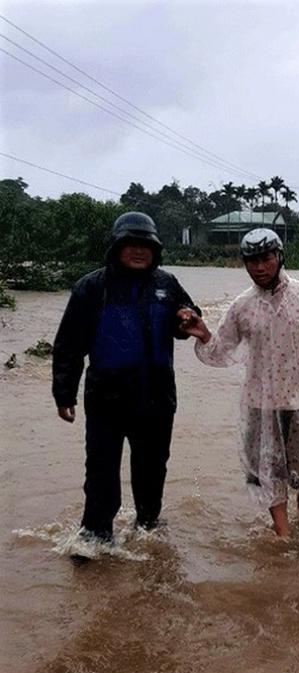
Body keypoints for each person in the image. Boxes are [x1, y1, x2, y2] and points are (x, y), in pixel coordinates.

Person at [178, 228, 299, 537]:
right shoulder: (242, 306)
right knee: (268, 470)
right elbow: (222, 349)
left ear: (279, 257)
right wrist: (203, 334)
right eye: (251, 261)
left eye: (266, 259)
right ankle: (283, 536)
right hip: (260, 402)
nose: (259, 267)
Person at [52, 212, 200, 542]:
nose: (138, 251)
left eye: (145, 245)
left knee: (152, 471)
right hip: (106, 399)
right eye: (130, 244)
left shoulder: (167, 284)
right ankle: (95, 536)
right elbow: (68, 345)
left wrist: (188, 316)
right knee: (101, 472)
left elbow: (187, 318)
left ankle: (147, 528)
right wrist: (64, 394)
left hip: (157, 398)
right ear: (116, 247)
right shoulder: (91, 287)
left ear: (155, 250)